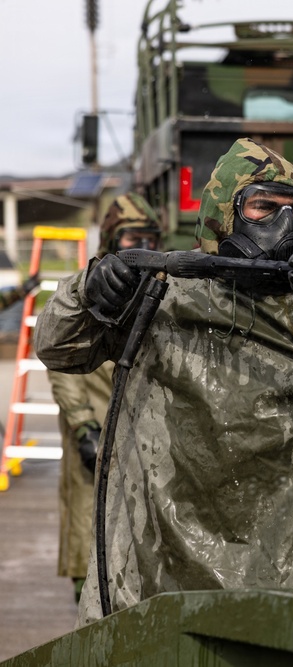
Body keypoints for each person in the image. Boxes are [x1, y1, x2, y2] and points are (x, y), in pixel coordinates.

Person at [34, 138, 293, 624]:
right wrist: (91, 290)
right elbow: (57, 345)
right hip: (167, 572)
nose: (281, 225)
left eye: (292, 211)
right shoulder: (163, 296)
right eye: (261, 206)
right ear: (223, 213)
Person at [47, 192, 161, 603]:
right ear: (113, 239)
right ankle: (83, 593)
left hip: (138, 427)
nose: (142, 247)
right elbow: (61, 365)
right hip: (93, 421)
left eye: (150, 237)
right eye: (132, 237)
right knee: (85, 514)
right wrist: (83, 426)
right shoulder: (89, 288)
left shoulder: (162, 287)